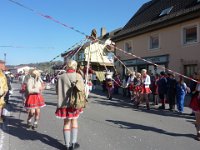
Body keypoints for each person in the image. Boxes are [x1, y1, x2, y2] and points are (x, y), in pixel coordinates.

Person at [55, 60, 84, 150]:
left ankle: (67, 145)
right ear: (75, 66)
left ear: (67, 66)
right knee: (74, 121)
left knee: (66, 123)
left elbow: (57, 91)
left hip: (64, 104)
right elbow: (82, 90)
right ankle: (74, 143)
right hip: (74, 104)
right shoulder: (78, 76)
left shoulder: (60, 77)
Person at [189, 73, 200, 141]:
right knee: (198, 119)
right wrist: (189, 90)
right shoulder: (196, 82)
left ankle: (196, 124)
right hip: (197, 101)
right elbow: (192, 92)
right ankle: (198, 133)